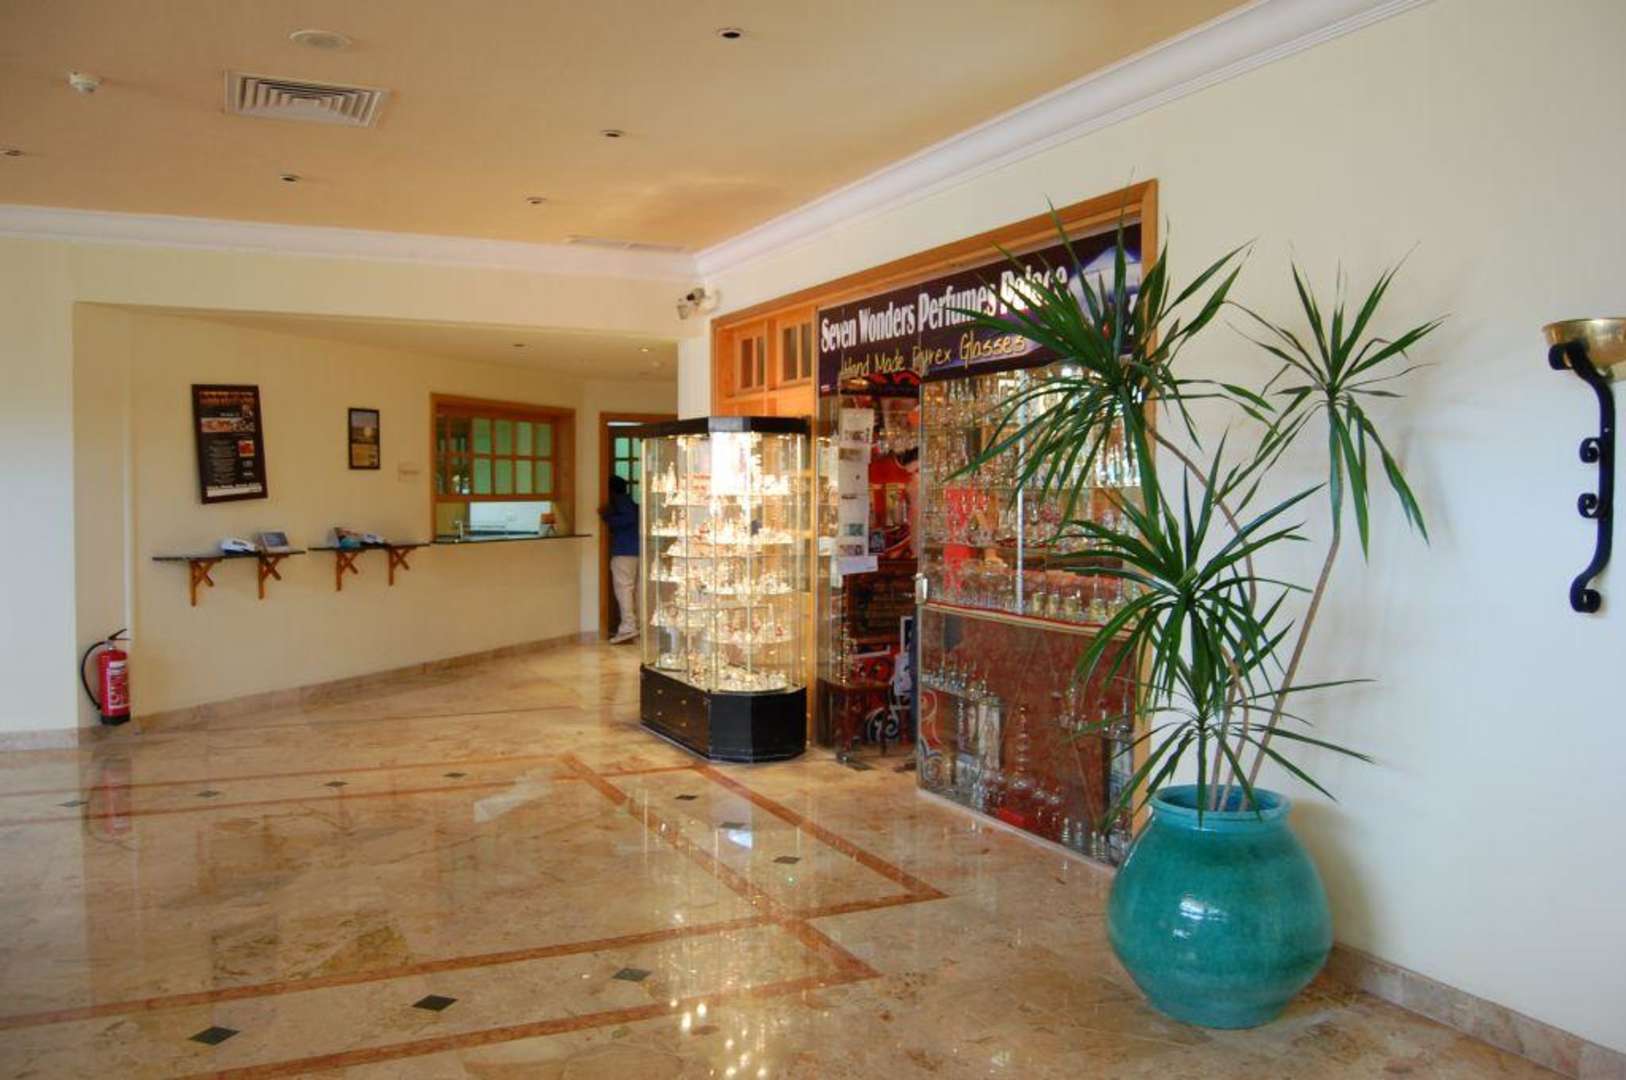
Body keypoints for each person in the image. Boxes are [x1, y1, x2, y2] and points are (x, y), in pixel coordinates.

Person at [601, 475, 640, 644]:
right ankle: (637, 625)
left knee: (624, 589)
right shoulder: (632, 502)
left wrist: (607, 517)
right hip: (638, 551)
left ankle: (628, 627)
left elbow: (627, 519)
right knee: (636, 590)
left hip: (624, 552)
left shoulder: (620, 502)